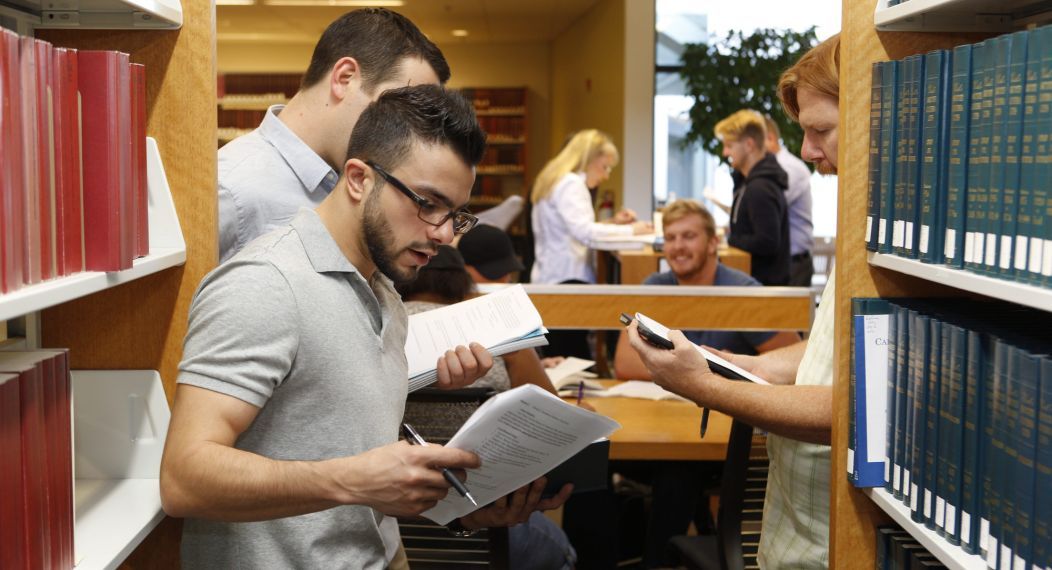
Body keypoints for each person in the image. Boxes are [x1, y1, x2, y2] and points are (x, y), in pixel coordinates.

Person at [161, 85, 572, 569]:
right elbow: (183, 479)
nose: (442, 233)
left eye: (455, 215)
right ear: (358, 178)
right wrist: (353, 479)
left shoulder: (386, 295)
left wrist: (467, 513)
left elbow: (360, 492)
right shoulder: (266, 284)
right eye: (427, 203)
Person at [626, 33, 841, 568]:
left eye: (819, 131)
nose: (807, 152)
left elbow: (849, 409)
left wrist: (702, 383)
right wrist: (732, 364)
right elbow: (825, 355)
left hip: (829, 537)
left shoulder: (745, 285)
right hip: (794, 531)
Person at [610, 199, 799, 568]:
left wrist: (699, 371)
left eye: (689, 236)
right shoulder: (656, 286)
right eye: (671, 238)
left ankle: (656, 562)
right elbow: (624, 363)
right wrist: (690, 370)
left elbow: (791, 362)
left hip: (722, 436)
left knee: (677, 473)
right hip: (662, 427)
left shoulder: (742, 291)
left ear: (713, 242)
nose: (678, 247)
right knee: (596, 465)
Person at [396, 244, 577, 570]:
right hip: (485, 523)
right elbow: (555, 424)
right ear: (464, 288)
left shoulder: (374, 335)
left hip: (390, 533)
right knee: (561, 550)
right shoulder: (497, 340)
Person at [218, 8, 449, 263]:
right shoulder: (231, 191)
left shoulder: (363, 179)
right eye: (397, 111)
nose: (405, 136)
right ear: (345, 78)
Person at [530, 129, 651, 359]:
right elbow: (586, 233)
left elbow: (570, 229)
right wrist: (631, 230)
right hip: (568, 279)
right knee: (573, 357)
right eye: (604, 167)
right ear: (588, 158)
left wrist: (613, 223)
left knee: (558, 352)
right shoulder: (572, 183)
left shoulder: (555, 179)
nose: (605, 175)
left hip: (551, 277)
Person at [715, 109, 791, 286]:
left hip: (763, 288)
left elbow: (767, 242)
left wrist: (730, 239)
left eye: (729, 145)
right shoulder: (748, 183)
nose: (725, 152)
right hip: (755, 282)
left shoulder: (761, 188)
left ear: (749, 144)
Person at [764, 114, 816, 287]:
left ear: (770, 138)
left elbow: (768, 208)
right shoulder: (775, 167)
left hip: (794, 263)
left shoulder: (788, 168)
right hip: (782, 262)